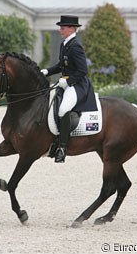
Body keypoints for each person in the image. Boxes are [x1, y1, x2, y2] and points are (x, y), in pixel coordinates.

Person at [41, 15, 97, 163]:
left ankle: (62, 147)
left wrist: (69, 82)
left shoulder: (76, 46)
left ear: (72, 28)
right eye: (60, 27)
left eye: (63, 27)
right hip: (65, 82)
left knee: (63, 109)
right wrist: (47, 71)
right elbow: (61, 65)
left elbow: (82, 71)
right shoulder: (65, 44)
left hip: (77, 85)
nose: (60, 30)